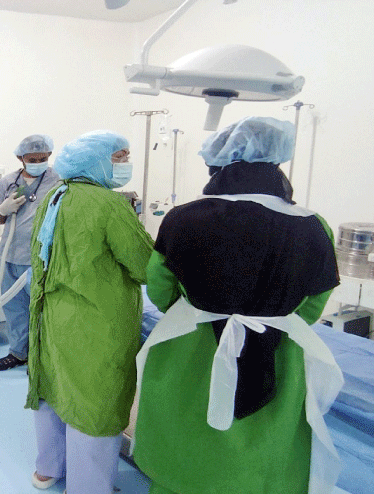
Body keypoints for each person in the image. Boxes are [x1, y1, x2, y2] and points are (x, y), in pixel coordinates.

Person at [134, 116, 343, 494]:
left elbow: (160, 288)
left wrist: (196, 312)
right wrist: (274, 317)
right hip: (278, 352)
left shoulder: (182, 218)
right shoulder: (312, 225)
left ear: (220, 163)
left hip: (191, 349)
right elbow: (314, 303)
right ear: (276, 162)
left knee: (185, 440)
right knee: (264, 447)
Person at [25, 131, 153, 493]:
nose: (125, 163)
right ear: (96, 161)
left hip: (53, 314)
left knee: (55, 389)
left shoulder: (55, 195)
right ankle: (88, 487)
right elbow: (146, 265)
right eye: (119, 157)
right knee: (95, 401)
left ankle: (49, 469)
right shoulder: (109, 204)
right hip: (96, 321)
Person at [0, 134, 61, 371]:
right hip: (11, 255)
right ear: (21, 158)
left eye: (43, 158)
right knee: (15, 308)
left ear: (49, 155)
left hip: (41, 257)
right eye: (32, 159)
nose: (38, 162)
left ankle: (42, 358)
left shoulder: (58, 181)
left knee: (43, 309)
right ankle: (18, 353)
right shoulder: (8, 182)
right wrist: (3, 209)